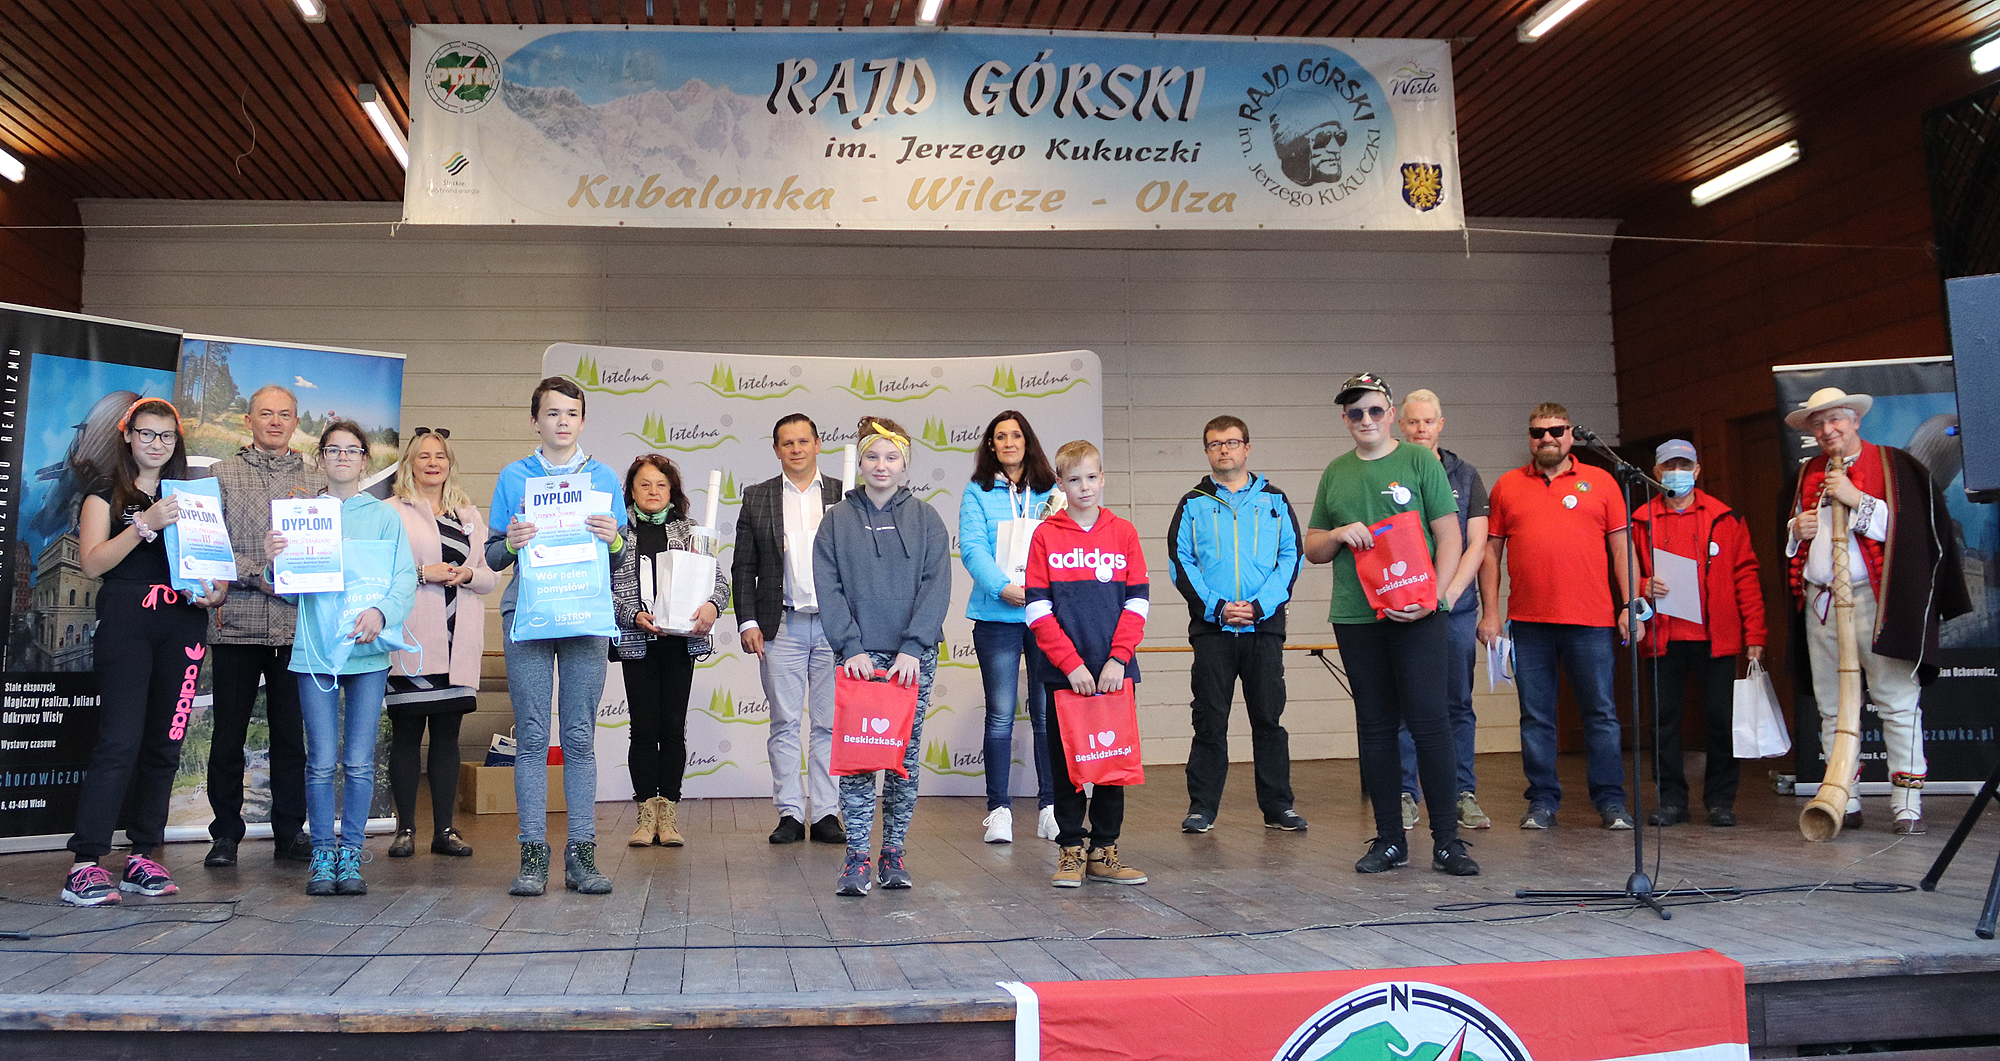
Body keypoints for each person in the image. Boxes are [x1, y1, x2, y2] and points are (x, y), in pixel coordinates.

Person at [1304, 374, 1478, 876]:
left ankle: (1447, 841)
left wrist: (1436, 600)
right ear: (1345, 419)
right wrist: (1338, 533)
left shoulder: (1420, 462)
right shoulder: (1336, 472)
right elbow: (1313, 548)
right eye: (1355, 413)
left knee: (1431, 724)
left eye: (1375, 410)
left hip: (1418, 615)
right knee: (1376, 728)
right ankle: (1389, 840)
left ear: (1390, 414)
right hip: (1358, 617)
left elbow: (1450, 538)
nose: (1366, 420)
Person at [60, 399, 229, 906]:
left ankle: (143, 855)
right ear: (128, 436)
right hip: (127, 625)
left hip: (184, 624)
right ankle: (85, 863)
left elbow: (212, 570)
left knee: (165, 743)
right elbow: (92, 564)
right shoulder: (105, 493)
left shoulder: (193, 497)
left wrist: (215, 591)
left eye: (166, 436)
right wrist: (144, 523)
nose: (157, 443)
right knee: (119, 742)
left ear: (176, 442)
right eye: (147, 433)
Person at [1784, 387, 1969, 834]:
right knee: (1832, 708)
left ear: (1855, 420)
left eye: (1835, 420)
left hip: (1876, 599)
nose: (1828, 430)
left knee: (1896, 702)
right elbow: (1794, 544)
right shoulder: (1806, 474)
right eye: (1818, 424)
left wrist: (1855, 498)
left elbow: (1914, 531)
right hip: (1822, 603)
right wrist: (1796, 530)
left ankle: (1907, 804)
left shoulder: (1895, 466)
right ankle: (1841, 797)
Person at [487, 377, 627, 896]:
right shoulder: (514, 476)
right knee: (530, 736)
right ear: (535, 421)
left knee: (579, 737)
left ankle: (582, 855)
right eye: (552, 413)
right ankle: (532, 857)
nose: (562, 421)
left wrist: (614, 540)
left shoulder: (603, 476)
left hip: (584, 614)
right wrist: (512, 542)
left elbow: (621, 556)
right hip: (529, 615)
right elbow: (493, 555)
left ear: (582, 421)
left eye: (571, 413)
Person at [267, 421, 416, 897]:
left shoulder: (385, 516)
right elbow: (288, 593)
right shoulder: (301, 516)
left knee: (358, 761)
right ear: (321, 457)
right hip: (315, 652)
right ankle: (322, 855)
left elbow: (404, 578)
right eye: (334, 449)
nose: (343, 457)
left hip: (368, 654)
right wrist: (275, 562)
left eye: (353, 450)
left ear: (365, 460)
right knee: (319, 762)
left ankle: (350, 854)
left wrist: (381, 612)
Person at [1479, 402, 1642, 831]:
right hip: (1529, 622)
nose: (1547, 438)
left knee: (1601, 714)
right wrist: (1490, 613)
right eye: (1538, 432)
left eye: (1556, 430)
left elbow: (1622, 549)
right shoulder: (1507, 486)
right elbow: (1490, 554)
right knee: (1536, 717)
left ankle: (1611, 801)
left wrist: (1631, 604)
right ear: (1529, 438)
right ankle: (1542, 801)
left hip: (1592, 620)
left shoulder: (1603, 481)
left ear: (1572, 435)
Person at [814, 417, 951, 896]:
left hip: (911, 660)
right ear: (859, 461)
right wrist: (849, 647)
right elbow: (828, 587)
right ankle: (856, 857)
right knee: (857, 757)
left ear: (905, 463)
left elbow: (936, 585)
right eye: (872, 456)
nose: (881, 465)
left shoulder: (927, 519)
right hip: (858, 659)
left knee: (902, 758)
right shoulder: (835, 520)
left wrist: (913, 647)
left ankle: (893, 852)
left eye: (892, 457)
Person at [202, 384, 324, 868]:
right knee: (227, 736)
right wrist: (260, 574)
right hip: (236, 625)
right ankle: (225, 835)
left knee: (291, 739)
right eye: (266, 414)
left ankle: (290, 833)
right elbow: (209, 548)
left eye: (285, 414)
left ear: (296, 422)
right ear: (248, 420)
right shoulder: (221, 475)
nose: (276, 422)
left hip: (296, 630)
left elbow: (327, 552)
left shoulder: (317, 480)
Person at [1167, 414, 1305, 835]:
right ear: (1207, 451)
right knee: (1210, 720)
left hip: (1264, 629)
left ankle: (1278, 808)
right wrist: (1218, 608)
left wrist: (1260, 606)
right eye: (1215, 444)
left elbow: (1291, 557)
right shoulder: (1192, 503)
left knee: (1269, 720)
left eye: (1231, 442)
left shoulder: (1275, 500)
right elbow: (1180, 562)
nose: (1223, 450)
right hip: (1213, 630)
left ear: (1247, 447)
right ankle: (1202, 808)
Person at [1028, 439, 1151, 887]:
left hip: (1115, 673)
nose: (1085, 487)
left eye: (1092, 477)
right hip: (1066, 676)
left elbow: (1137, 602)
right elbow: (1037, 610)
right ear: (1060, 484)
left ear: (1103, 479)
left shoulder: (1124, 533)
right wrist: (1071, 665)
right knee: (1067, 765)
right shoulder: (1045, 536)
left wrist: (1118, 659)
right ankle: (1070, 850)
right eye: (1074, 479)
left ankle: (1104, 850)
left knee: (1111, 761)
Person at [1630, 439, 1767, 828]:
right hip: (1663, 637)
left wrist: (1756, 634)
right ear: (1656, 472)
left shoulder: (1726, 518)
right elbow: (1623, 573)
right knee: (1664, 722)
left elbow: (1746, 576)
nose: (1677, 472)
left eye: (1684, 465)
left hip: (1716, 637)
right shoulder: (1640, 521)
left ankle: (1720, 801)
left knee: (1721, 721)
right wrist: (1643, 586)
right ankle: (1671, 801)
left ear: (1697, 470)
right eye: (1669, 466)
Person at [733, 414, 846, 845]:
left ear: (818, 444)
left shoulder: (845, 494)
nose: (796, 449)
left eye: (803, 441)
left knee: (828, 725)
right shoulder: (757, 497)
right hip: (780, 624)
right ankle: (791, 814)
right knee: (783, 722)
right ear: (776, 449)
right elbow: (743, 566)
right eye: (787, 443)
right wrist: (747, 621)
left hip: (835, 627)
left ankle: (827, 812)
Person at [386, 427, 495, 858]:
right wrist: (421, 574)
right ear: (409, 463)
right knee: (407, 736)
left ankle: (445, 831)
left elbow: (489, 575)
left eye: (440, 457)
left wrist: (468, 574)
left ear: (450, 464)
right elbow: (380, 572)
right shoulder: (390, 511)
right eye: (424, 456)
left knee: (448, 737)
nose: (433, 463)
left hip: (457, 642)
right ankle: (405, 830)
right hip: (411, 640)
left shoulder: (467, 513)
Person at [612, 454, 727, 848]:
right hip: (637, 643)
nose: (653, 491)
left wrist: (712, 607)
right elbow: (602, 587)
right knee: (643, 729)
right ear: (631, 491)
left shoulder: (692, 531)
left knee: (673, 729)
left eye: (661, 485)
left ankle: (669, 815)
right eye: (644, 484)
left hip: (680, 644)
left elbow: (719, 583)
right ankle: (646, 816)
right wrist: (631, 614)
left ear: (672, 491)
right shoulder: (617, 534)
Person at [958, 409, 1062, 844]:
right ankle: (999, 810)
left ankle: (1051, 808)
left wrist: (1037, 592)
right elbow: (972, 547)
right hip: (996, 615)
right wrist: (1003, 588)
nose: (1008, 443)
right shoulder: (977, 491)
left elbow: (1063, 545)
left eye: (1015, 435)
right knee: (1000, 715)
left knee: (1046, 715)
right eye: (1000, 437)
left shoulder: (1053, 490)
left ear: (1027, 441)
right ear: (991, 445)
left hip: (1044, 616)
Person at [1392, 389, 1493, 833]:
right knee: (1404, 703)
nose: (1420, 429)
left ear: (1440, 425)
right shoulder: (1388, 471)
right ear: (1401, 425)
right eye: (1413, 422)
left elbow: (1477, 544)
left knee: (1457, 703)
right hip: (1402, 607)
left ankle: (1461, 794)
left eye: (1428, 422)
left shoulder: (1465, 475)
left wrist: (1447, 594)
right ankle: (1404, 794)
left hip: (1455, 609)